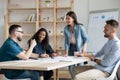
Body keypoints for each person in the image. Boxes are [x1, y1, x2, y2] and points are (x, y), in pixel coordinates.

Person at [64, 11, 89, 79]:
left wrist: (84, 49)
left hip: (79, 49)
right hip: (71, 48)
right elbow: (66, 42)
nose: (67, 20)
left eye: (68, 18)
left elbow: (86, 39)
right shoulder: (66, 28)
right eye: (66, 18)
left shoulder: (80, 27)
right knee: (70, 67)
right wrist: (66, 52)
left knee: (80, 67)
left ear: (73, 18)